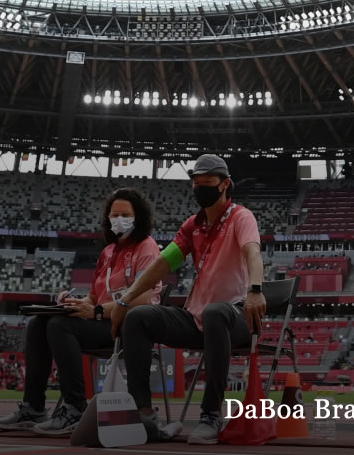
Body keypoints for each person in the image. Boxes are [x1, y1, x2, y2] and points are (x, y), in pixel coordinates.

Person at [109, 155, 265, 445]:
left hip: (236, 316)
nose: (200, 189)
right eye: (196, 184)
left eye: (207, 184)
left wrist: (256, 289)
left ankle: (211, 415)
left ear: (225, 184)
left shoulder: (241, 217)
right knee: (138, 317)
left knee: (216, 312)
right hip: (197, 318)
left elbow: (252, 253)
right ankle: (142, 413)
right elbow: (160, 266)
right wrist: (126, 299)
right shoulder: (192, 226)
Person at [0, 188, 162, 436]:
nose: (119, 219)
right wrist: (75, 302)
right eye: (114, 214)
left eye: (125, 214)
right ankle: (33, 407)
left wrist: (96, 311)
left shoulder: (146, 248)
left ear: (139, 217)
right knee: (39, 323)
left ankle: (75, 407)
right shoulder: (108, 252)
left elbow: (143, 299)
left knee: (59, 326)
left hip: (127, 326)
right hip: (101, 318)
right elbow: (95, 295)